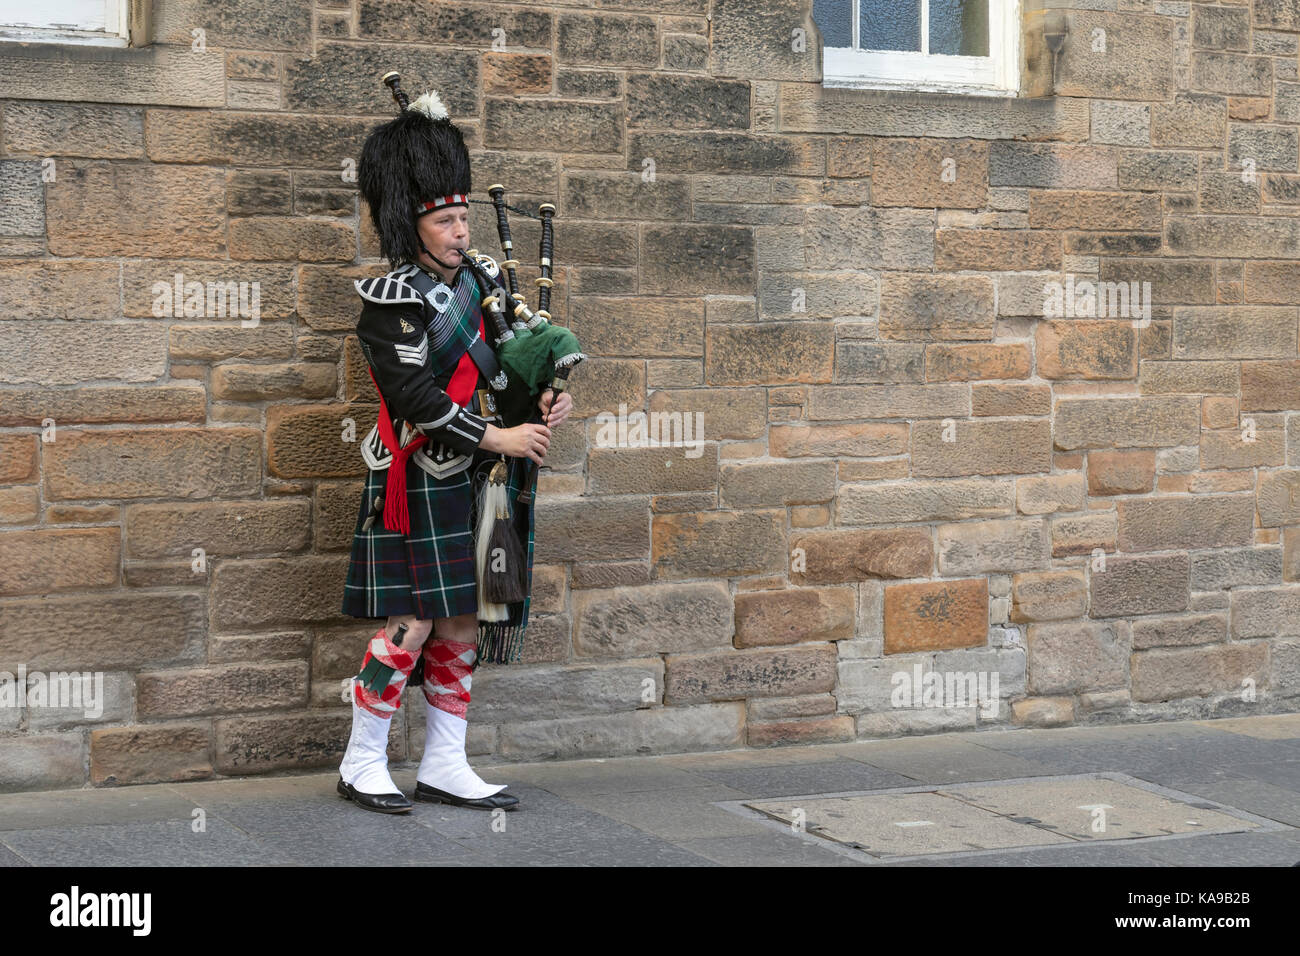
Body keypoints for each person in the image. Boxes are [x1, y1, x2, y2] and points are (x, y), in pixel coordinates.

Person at [336, 88, 571, 814]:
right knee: (411, 625)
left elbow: (506, 369)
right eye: (447, 219)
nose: (462, 231)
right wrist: (499, 436)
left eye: (465, 217)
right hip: (414, 475)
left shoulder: (486, 283)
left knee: (465, 620)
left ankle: (444, 762)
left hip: (474, 478)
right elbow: (416, 400)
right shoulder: (390, 300)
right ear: (412, 222)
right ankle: (361, 760)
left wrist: (546, 395)